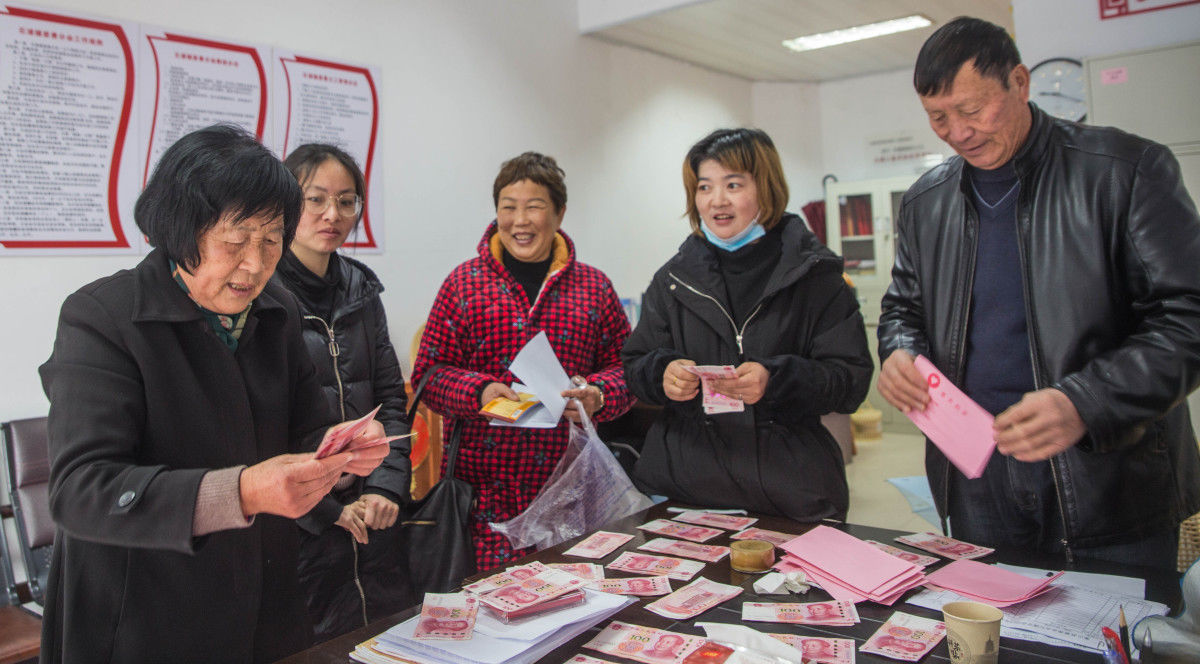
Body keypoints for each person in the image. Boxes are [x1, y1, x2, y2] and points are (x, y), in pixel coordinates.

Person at [37, 125, 390, 662]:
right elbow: (81, 490)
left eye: (272, 239)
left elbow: (303, 428)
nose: (255, 263)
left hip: (263, 598)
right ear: (180, 230)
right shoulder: (103, 317)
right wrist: (243, 492)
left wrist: (340, 451)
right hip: (144, 611)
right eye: (235, 240)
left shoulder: (277, 309)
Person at [877, 17, 1200, 570]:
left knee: (1113, 641)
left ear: (1019, 83)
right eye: (938, 117)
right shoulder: (925, 203)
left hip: (1106, 478)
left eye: (973, 110)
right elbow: (903, 307)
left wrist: (1087, 402)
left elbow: (1187, 317)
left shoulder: (1124, 172)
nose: (957, 132)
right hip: (976, 477)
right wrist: (899, 350)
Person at [622, 128, 872, 521]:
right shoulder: (673, 280)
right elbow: (636, 364)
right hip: (685, 485)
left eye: (733, 184)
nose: (717, 201)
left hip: (789, 490)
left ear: (766, 187)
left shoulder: (816, 277)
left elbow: (850, 382)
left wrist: (776, 380)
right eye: (704, 187)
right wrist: (662, 374)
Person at [411, 152, 633, 570]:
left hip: (569, 493)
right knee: (491, 615)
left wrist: (598, 395)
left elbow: (628, 370)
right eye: (508, 208)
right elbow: (429, 374)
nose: (520, 220)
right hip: (483, 499)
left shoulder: (594, 287)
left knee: (574, 610)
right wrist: (478, 392)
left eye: (534, 207)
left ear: (559, 213)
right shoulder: (464, 283)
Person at [273, 143, 414, 640]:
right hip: (300, 528)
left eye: (347, 201)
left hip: (375, 519)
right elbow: (264, 429)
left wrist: (385, 487)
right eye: (315, 199)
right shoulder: (262, 294)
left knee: (388, 638)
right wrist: (329, 511)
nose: (333, 214)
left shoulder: (361, 291)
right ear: (287, 203)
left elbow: (391, 401)